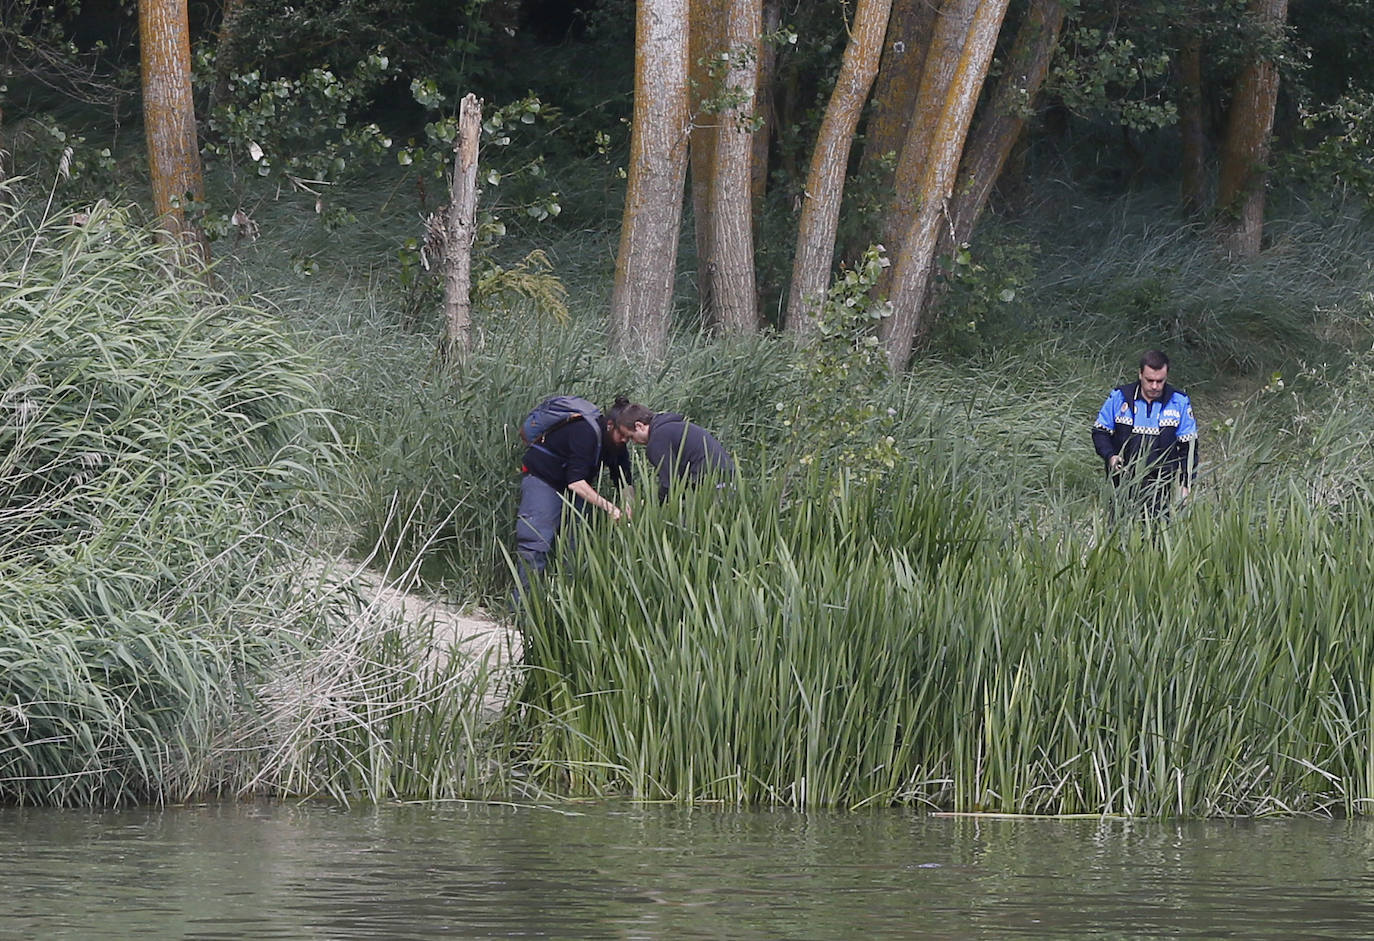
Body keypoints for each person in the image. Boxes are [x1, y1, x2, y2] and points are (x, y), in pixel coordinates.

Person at [514, 396, 634, 590]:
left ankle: (562, 603)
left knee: (576, 546)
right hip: (543, 478)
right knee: (536, 543)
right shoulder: (585, 432)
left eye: (629, 437)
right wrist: (611, 508)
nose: (625, 440)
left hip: (573, 484)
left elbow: (624, 479)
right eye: (623, 435)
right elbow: (576, 483)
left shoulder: (617, 445)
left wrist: (629, 506)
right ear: (611, 425)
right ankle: (521, 610)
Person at [1091, 350, 1199, 518]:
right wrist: (1110, 456)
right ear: (1140, 374)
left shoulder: (1180, 402)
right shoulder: (1119, 397)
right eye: (1150, 380)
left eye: (1160, 381)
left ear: (1167, 376)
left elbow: (1189, 448)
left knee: (1157, 540)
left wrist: (1185, 485)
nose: (1154, 386)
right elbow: (1100, 432)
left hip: (1163, 488)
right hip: (1122, 485)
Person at [609, 398, 735, 501]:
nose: (634, 442)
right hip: (729, 479)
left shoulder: (657, 440)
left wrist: (654, 507)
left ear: (639, 426)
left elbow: (670, 484)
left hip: (711, 485)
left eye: (631, 436)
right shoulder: (673, 426)